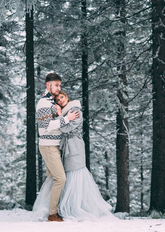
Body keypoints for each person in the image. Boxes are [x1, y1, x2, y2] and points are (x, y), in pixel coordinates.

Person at [33, 91, 112, 221]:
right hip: (67, 146)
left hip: (74, 147)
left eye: (62, 97)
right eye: (57, 100)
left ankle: (78, 207)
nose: (60, 101)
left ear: (67, 97)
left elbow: (65, 129)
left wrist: (59, 115)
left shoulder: (75, 111)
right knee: (66, 177)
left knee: (76, 174)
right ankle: (68, 206)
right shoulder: (66, 113)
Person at [35, 73, 79, 222]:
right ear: (48, 85)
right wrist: (67, 118)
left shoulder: (50, 101)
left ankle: (46, 210)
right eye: (56, 85)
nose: (59, 88)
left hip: (54, 146)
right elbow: (45, 127)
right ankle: (52, 214)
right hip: (48, 146)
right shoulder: (44, 103)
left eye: (60, 85)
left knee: (52, 180)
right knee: (60, 179)